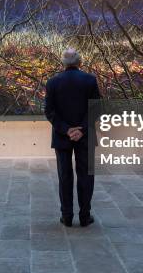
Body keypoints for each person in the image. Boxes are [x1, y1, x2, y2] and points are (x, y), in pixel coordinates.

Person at [44, 48, 101, 227]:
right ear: (80, 62)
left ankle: (66, 216)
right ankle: (85, 216)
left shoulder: (53, 82)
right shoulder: (90, 80)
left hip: (62, 137)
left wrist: (67, 130)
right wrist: (81, 130)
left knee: (65, 176)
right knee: (86, 176)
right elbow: (96, 109)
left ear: (63, 63)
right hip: (86, 136)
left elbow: (49, 111)